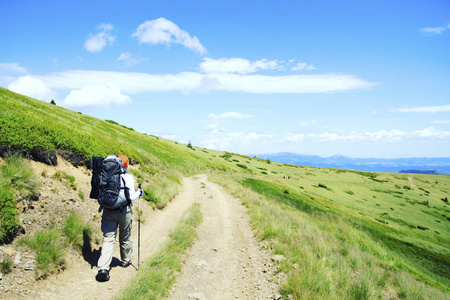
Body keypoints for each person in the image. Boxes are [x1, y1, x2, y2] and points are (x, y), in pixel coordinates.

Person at [96, 154, 142, 282]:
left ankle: (103, 268)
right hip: (123, 211)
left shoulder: (104, 174)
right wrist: (140, 193)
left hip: (107, 210)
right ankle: (125, 261)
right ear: (125, 164)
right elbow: (132, 196)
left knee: (108, 239)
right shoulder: (127, 177)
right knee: (125, 236)